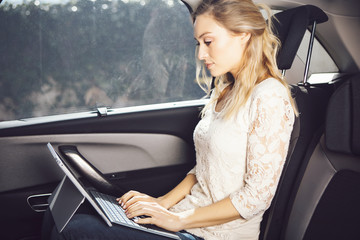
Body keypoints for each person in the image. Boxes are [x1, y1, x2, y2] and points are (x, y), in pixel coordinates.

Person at [44, 0, 296, 239]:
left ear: (243, 35)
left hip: (212, 234)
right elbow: (206, 170)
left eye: (208, 41)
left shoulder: (270, 95)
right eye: (198, 43)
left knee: (75, 229)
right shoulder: (224, 89)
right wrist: (161, 203)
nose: (200, 54)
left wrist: (179, 220)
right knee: (69, 212)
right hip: (184, 222)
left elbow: (257, 196)